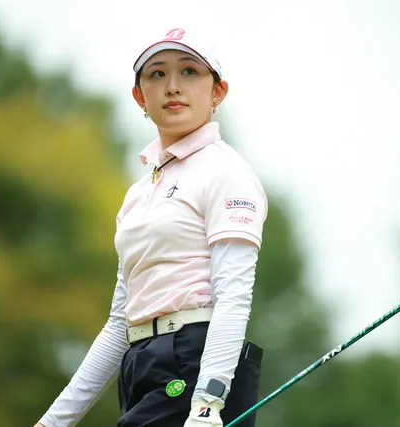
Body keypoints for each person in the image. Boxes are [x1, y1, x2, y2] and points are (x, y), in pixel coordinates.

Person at [34, 26, 268, 427]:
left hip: (196, 363)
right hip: (139, 362)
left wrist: (208, 403)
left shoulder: (227, 172)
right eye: (157, 74)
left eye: (190, 71)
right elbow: (118, 323)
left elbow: (233, 296)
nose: (172, 86)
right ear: (140, 97)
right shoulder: (138, 195)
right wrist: (53, 422)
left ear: (218, 92)